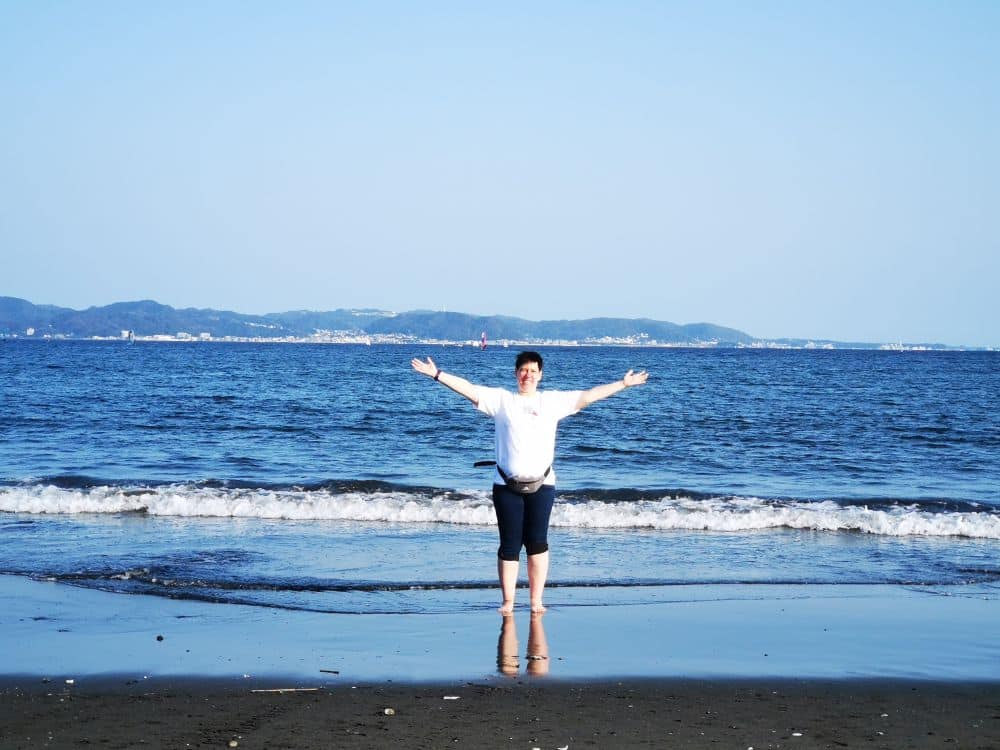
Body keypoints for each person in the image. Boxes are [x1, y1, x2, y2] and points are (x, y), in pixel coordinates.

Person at [411, 350, 648, 614]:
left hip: (542, 485)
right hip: (505, 485)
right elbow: (469, 389)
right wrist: (437, 374)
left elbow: (588, 396)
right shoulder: (502, 400)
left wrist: (623, 384)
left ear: (540, 375)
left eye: (533, 371)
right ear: (516, 374)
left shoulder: (552, 402)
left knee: (537, 543)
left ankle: (536, 601)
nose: (527, 375)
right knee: (509, 545)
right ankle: (508, 602)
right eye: (523, 370)